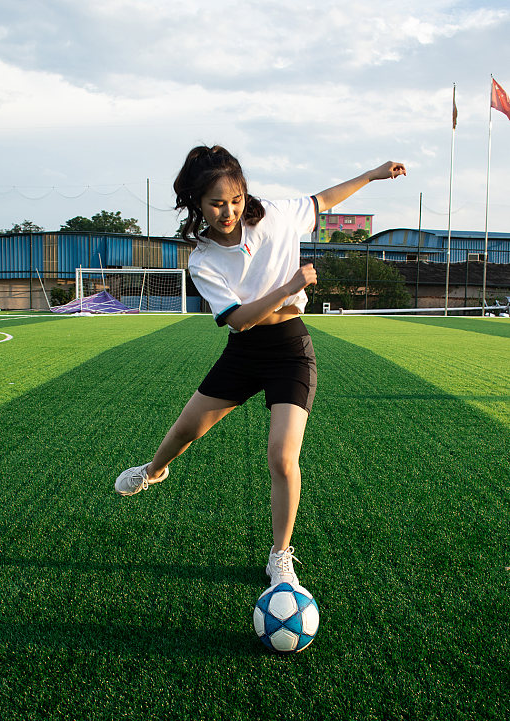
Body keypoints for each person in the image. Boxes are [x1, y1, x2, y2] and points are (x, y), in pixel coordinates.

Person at [115, 145, 406, 587]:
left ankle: (279, 556)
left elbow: (324, 200)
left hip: (291, 349)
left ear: (243, 193)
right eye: (215, 203)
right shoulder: (204, 259)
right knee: (184, 432)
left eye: (234, 199)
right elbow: (240, 319)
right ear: (197, 202)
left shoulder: (276, 215)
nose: (227, 211)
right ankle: (153, 471)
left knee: (282, 458)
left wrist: (373, 174)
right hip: (245, 351)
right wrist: (291, 283)